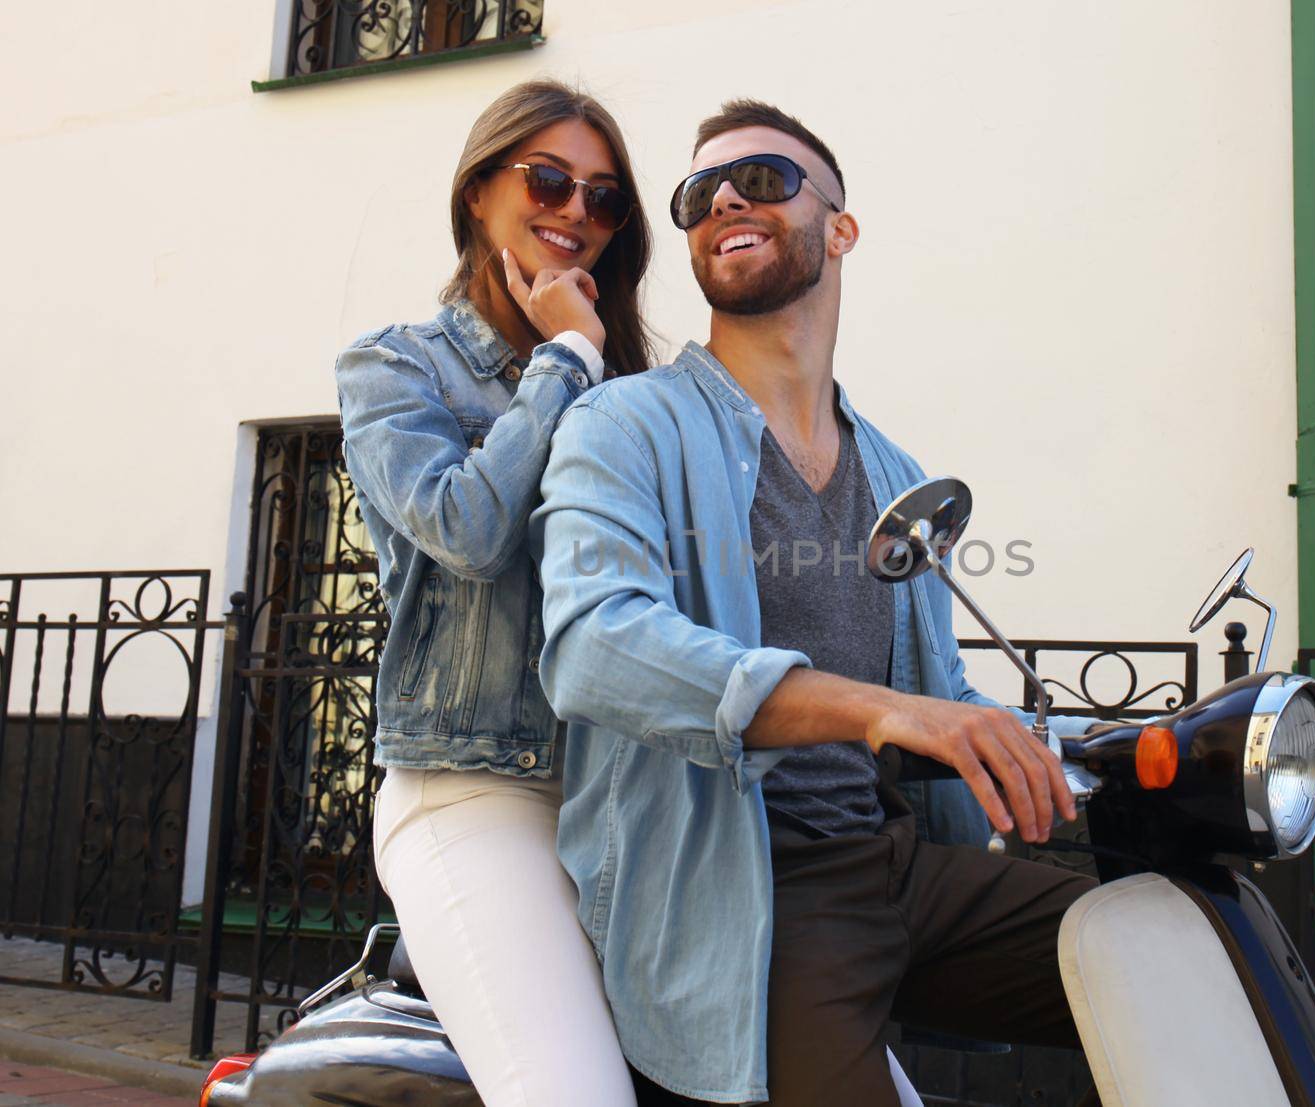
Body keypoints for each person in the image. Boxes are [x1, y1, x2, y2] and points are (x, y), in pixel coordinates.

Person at [533, 100, 1097, 1106]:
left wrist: (1102, 749)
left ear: (840, 227)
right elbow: (593, 643)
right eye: (699, 193)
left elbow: (938, 692)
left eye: (762, 179)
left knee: (1188, 959)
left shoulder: (891, 469)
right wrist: (876, 711)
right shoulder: (623, 425)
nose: (724, 203)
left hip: (900, 866)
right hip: (751, 887)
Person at [334, 79, 653, 1107]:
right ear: (479, 191)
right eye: (550, 181)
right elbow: (466, 533)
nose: (576, 214)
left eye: (603, 200)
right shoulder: (396, 366)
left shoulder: (636, 387)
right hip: (472, 791)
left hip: (628, 805)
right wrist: (564, 355)